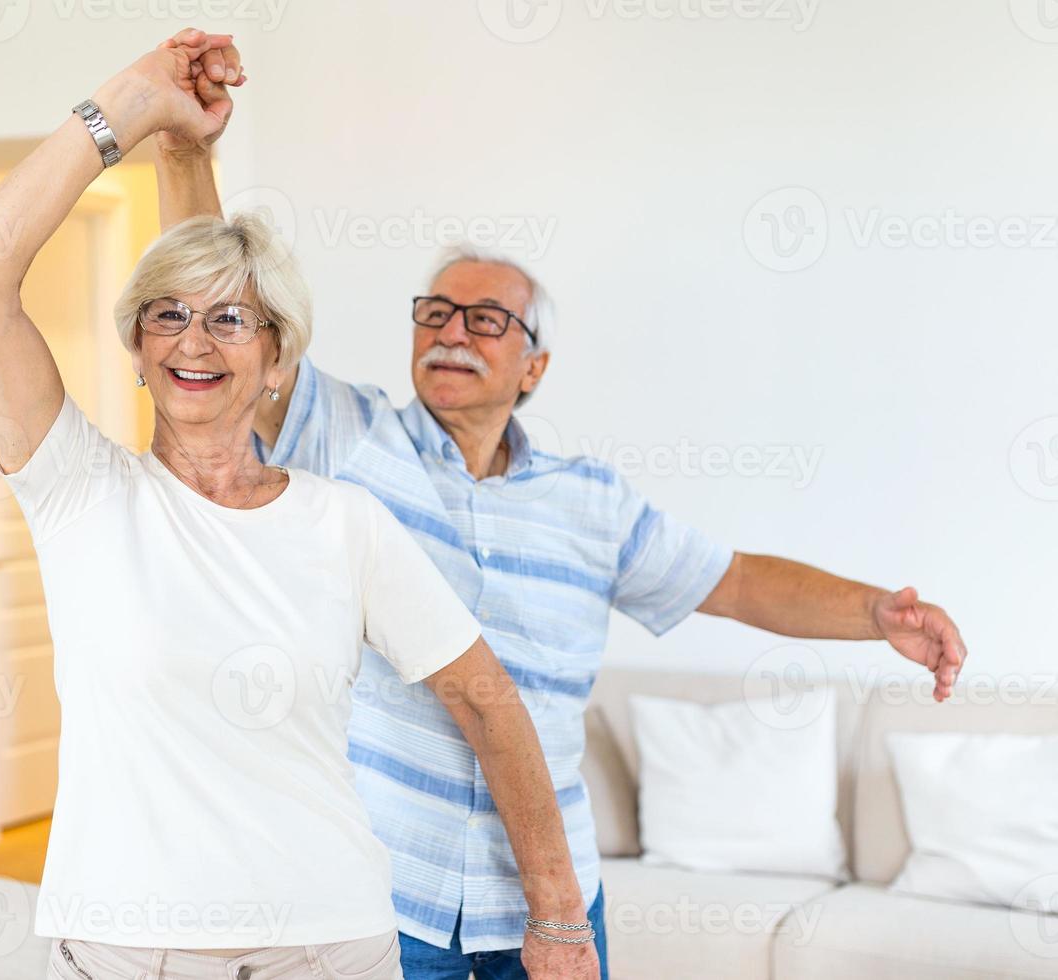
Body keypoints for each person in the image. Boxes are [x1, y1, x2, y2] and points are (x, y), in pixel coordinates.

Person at [153, 28, 970, 980]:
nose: (452, 334)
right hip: (383, 889)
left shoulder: (593, 502)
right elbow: (224, 306)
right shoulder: (347, 437)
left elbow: (737, 583)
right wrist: (188, 151)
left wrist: (877, 613)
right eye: (435, 314)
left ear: (534, 366)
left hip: (550, 904)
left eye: (487, 321)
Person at [0, 35, 601, 980]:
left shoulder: (347, 522)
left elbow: (491, 704)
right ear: (135, 346)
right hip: (129, 950)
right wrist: (128, 107)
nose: (194, 341)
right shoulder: (80, 490)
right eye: (166, 314)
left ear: (278, 356)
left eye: (228, 318)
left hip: (328, 945)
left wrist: (560, 918)